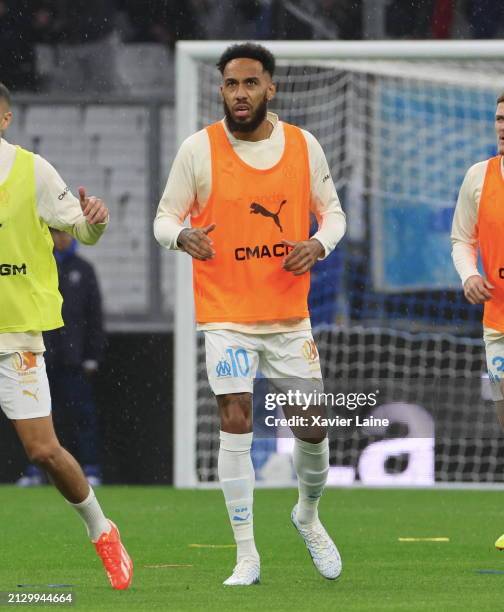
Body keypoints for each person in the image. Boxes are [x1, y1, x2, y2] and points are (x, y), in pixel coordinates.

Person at [154, 43, 346, 586]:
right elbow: (163, 218)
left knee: (311, 426)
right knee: (235, 414)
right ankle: (246, 554)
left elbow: (333, 214)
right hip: (226, 314)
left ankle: (307, 514)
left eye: (250, 83)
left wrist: (318, 245)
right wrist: (181, 236)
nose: (240, 93)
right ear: (222, 89)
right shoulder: (199, 149)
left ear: (271, 88)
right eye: (231, 84)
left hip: (287, 316)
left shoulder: (304, 146)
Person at [0, 82, 133, 590]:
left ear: (6, 120)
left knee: (44, 451)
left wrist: (95, 221)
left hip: (15, 336)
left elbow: (82, 228)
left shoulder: (32, 170)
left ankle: (103, 530)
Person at [451, 91, 504, 551]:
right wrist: (469, 275)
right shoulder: (478, 177)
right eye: (499, 119)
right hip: (498, 319)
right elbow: (461, 239)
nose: (502, 126)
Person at [17, 229, 105, 488]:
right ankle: (34, 471)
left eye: (66, 233)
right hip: (41, 356)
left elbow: (94, 316)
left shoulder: (84, 270)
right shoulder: (37, 265)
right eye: (57, 234)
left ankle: (90, 468)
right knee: (38, 417)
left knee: (83, 416)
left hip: (73, 360)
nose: (62, 238)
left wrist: (92, 356)